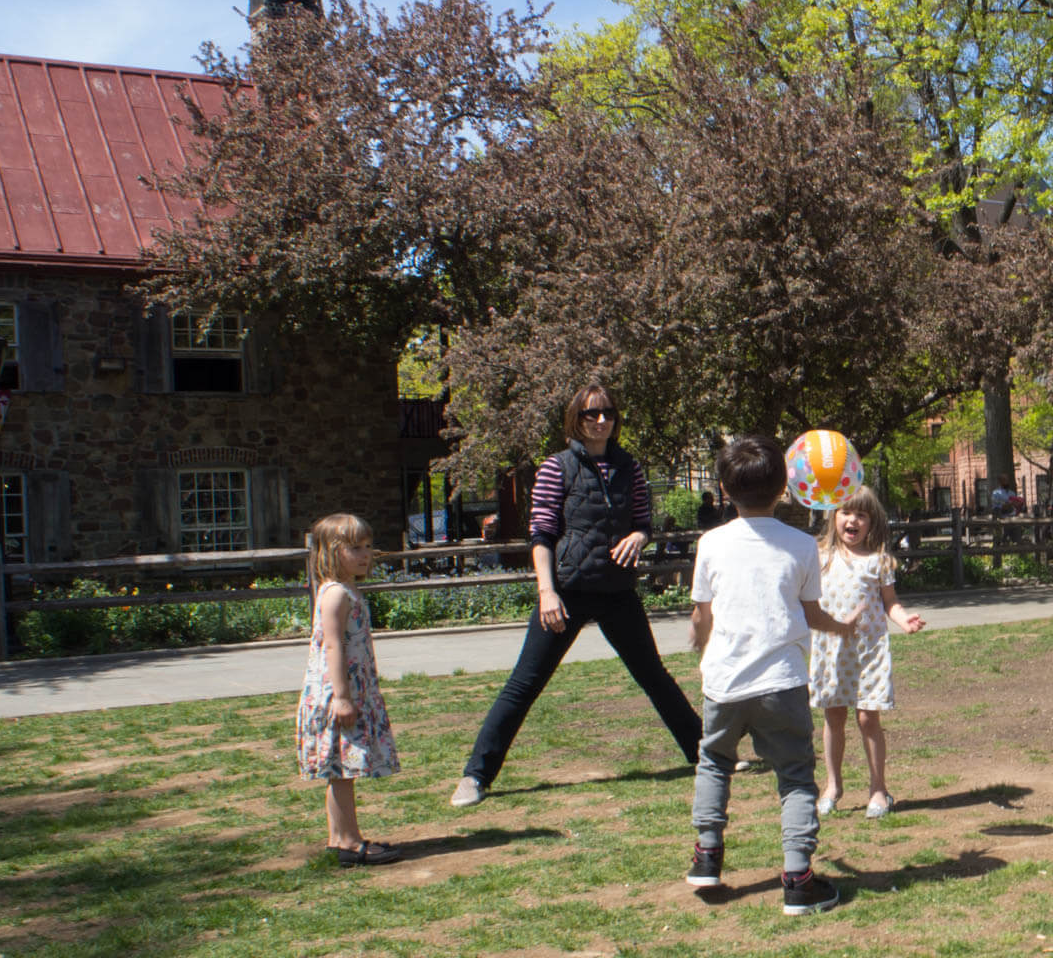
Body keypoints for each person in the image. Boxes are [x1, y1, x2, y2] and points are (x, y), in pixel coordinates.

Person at [452, 384, 702, 808]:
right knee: (524, 684)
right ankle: (476, 776)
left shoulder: (630, 469)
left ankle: (705, 756)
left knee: (654, 676)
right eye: (591, 414)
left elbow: (644, 522)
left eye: (607, 413)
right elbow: (542, 535)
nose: (601, 420)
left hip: (617, 591)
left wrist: (639, 537)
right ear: (576, 419)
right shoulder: (557, 467)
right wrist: (547, 591)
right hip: (566, 592)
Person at [685, 434, 860, 916]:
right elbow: (810, 613)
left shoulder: (711, 543)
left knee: (714, 762)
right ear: (785, 487)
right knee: (797, 778)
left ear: (723, 489)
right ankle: (799, 880)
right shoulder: (801, 545)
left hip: (724, 681)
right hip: (782, 681)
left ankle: (706, 856)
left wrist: (701, 645)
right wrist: (841, 626)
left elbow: (703, 615)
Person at [809, 486, 926, 820]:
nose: (853, 520)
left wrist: (903, 619)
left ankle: (878, 788)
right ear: (833, 516)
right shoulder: (819, 557)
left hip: (868, 651)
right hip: (831, 650)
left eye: (862, 514)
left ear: (871, 522)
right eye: (846, 512)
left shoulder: (879, 561)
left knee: (867, 716)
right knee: (833, 716)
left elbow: (891, 602)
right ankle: (833, 785)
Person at [296, 513, 401, 866]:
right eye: (354, 548)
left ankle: (341, 837)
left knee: (342, 770)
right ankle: (347, 842)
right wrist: (342, 697)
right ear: (330, 551)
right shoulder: (336, 595)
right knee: (341, 771)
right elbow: (333, 646)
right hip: (338, 692)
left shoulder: (347, 590)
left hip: (353, 688)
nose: (365, 555)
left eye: (368, 547)